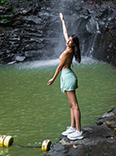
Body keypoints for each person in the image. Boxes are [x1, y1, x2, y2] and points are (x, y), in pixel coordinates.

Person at [47, 12, 83, 140]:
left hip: (67, 76)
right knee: (71, 105)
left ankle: (79, 131)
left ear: (73, 44)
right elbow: (65, 33)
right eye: (68, 40)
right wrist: (62, 20)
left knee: (75, 105)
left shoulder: (68, 52)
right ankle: (72, 127)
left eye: (70, 41)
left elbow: (59, 67)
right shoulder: (69, 47)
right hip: (67, 76)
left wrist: (52, 79)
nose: (68, 41)